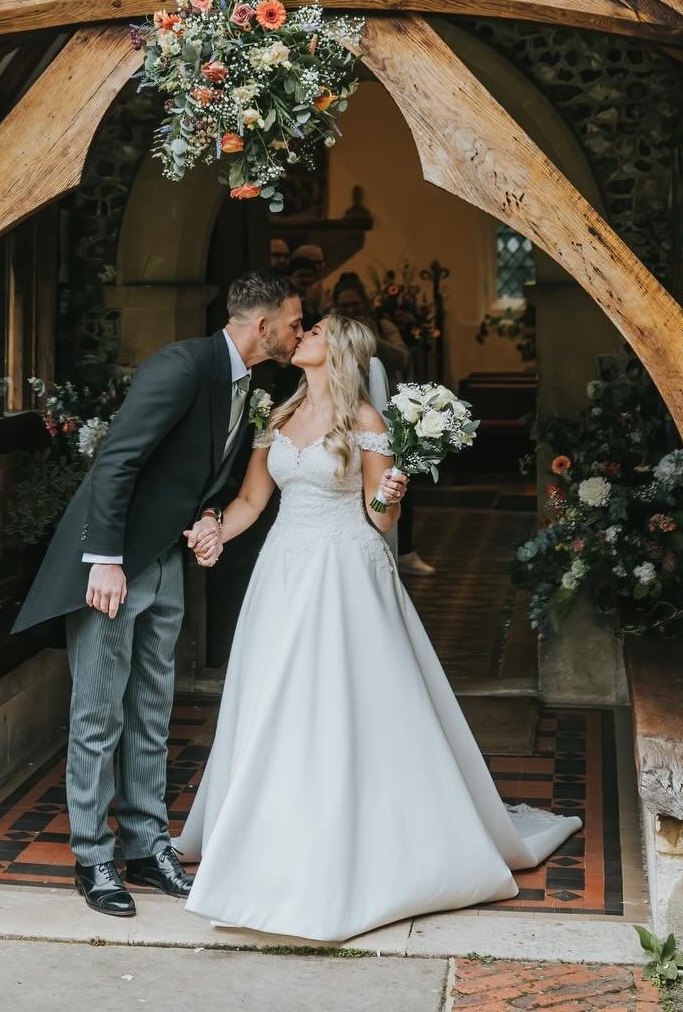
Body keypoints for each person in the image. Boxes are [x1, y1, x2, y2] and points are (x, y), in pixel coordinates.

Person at [174, 311, 580, 944]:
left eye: (313, 330)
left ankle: (356, 840)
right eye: (302, 327)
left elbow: (379, 517)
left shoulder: (365, 421)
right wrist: (213, 532)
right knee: (273, 700)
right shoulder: (274, 417)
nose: (301, 333)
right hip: (283, 571)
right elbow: (252, 501)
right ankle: (267, 833)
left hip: (343, 574)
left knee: (341, 705)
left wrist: (392, 492)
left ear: (337, 348)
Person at [12, 271, 303, 919]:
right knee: (98, 714)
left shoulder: (247, 383)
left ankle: (147, 845)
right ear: (263, 326)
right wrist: (106, 561)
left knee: (151, 711)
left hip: (166, 559)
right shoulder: (180, 366)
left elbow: (190, 472)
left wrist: (206, 519)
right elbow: (117, 460)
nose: (298, 331)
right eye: (294, 320)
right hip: (113, 567)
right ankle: (93, 857)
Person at [331, 272, 435, 577]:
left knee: (394, 479)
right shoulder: (331, 334)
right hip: (344, 413)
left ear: (363, 301)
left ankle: (404, 550)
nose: (349, 309)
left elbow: (402, 356)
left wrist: (367, 335)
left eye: (354, 303)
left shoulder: (384, 326)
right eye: (343, 304)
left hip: (386, 409)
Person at [286, 241, 326, 328]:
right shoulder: (286, 298)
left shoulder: (320, 293)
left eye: (309, 275)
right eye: (301, 276)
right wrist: (310, 307)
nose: (306, 280)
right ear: (290, 278)